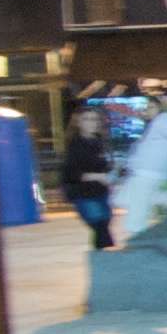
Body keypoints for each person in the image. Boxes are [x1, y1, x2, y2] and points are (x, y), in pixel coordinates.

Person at [60, 106, 116, 248]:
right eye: (87, 119)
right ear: (79, 123)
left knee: (102, 228)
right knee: (100, 228)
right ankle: (108, 263)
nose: (93, 123)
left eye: (95, 119)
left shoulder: (99, 142)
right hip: (84, 195)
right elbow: (73, 174)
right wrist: (99, 176)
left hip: (100, 193)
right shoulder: (76, 145)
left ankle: (104, 262)